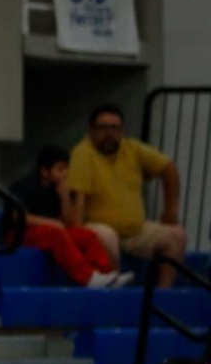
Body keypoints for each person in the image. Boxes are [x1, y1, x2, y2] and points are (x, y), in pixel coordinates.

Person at [69, 104, 187, 288]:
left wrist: (170, 211)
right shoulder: (83, 153)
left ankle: (164, 294)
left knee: (176, 235)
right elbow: (78, 197)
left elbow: (169, 169)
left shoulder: (131, 148)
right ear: (91, 131)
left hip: (135, 232)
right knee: (107, 236)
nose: (108, 133)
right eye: (102, 128)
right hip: (97, 228)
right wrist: (77, 232)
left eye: (114, 128)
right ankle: (115, 287)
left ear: (122, 131)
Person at [10, 146, 131, 289]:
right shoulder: (25, 185)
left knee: (87, 236)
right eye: (60, 169)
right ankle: (88, 278)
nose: (65, 174)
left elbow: (70, 224)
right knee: (55, 233)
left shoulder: (58, 188)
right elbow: (17, 216)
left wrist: (64, 197)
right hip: (19, 234)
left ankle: (106, 275)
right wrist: (51, 223)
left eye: (67, 169)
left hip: (50, 233)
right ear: (44, 171)